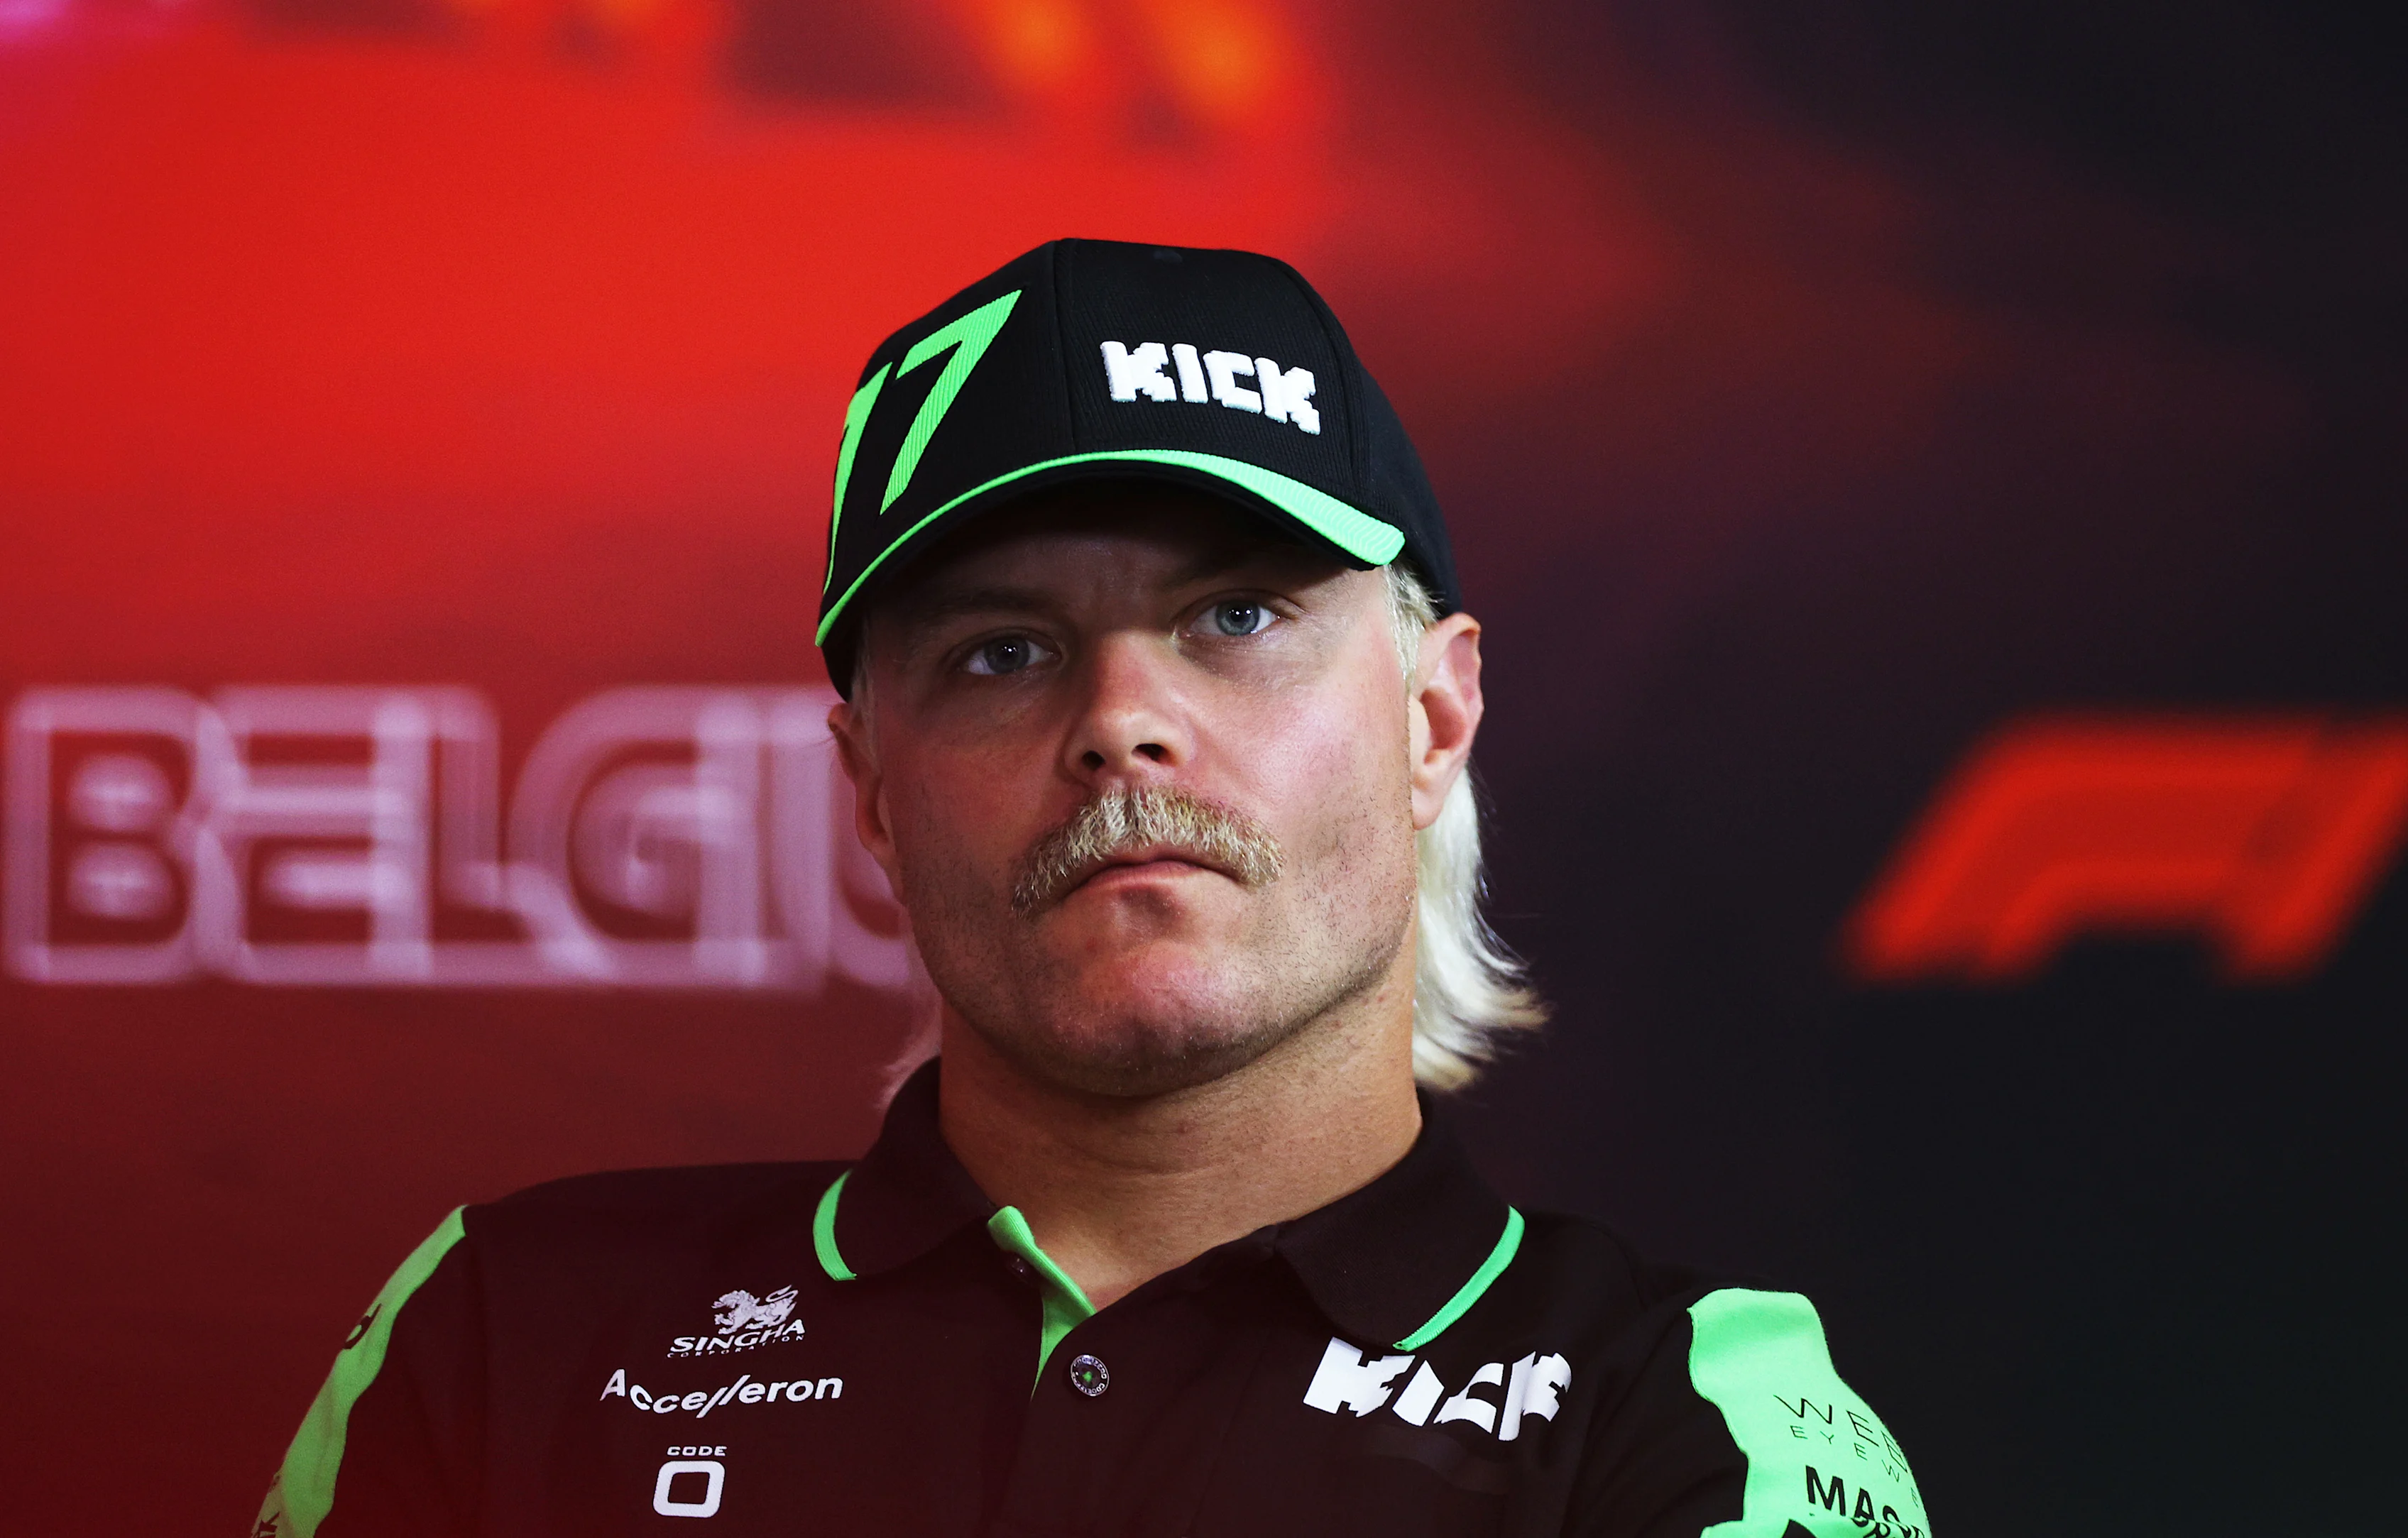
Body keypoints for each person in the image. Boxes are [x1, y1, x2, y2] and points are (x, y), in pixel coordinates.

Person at [254, 238, 1934, 1538]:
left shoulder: (1692, 1411)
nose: (1121, 722)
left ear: (1433, 717)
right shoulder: (503, 1324)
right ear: (871, 794)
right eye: (1003, 650)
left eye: (1237, 618)